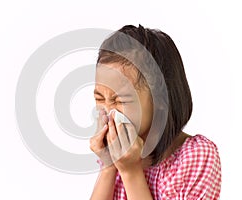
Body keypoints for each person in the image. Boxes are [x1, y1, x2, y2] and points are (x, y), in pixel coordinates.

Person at [89, 25, 221, 200]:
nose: (107, 111)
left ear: (160, 99)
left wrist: (131, 172)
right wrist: (108, 165)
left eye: (119, 100)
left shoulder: (196, 156)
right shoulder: (118, 153)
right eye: (100, 99)